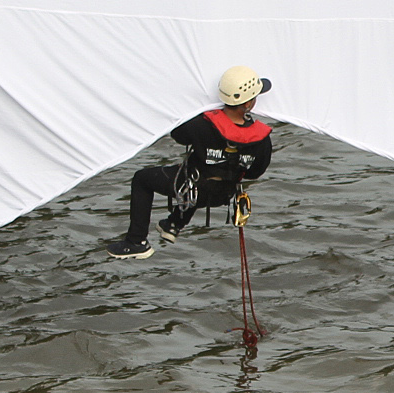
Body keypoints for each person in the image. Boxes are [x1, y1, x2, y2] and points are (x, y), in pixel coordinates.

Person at [107, 66, 275, 259]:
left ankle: (136, 242)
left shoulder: (201, 124)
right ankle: (173, 224)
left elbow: (177, 134)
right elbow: (255, 172)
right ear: (249, 104)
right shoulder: (262, 138)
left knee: (143, 179)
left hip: (193, 190)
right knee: (202, 177)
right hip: (223, 195)